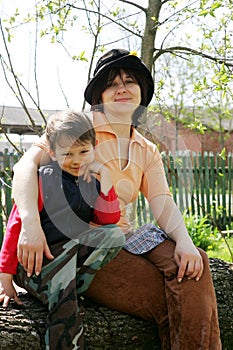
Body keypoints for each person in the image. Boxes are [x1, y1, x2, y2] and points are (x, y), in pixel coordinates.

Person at [5, 49, 221, 349]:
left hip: (123, 238)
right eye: (111, 83)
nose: (121, 88)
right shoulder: (79, 128)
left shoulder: (145, 148)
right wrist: (30, 224)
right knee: (178, 302)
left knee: (196, 263)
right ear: (99, 94)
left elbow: (161, 201)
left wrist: (184, 242)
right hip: (83, 247)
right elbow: (25, 166)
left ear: (141, 91)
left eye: (130, 81)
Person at [0, 110, 125, 349]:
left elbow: (109, 218)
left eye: (84, 152)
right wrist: (5, 279)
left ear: (94, 147)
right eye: (68, 154)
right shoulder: (43, 179)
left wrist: (106, 179)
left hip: (68, 257)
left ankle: (70, 287)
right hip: (37, 263)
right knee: (66, 303)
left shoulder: (91, 181)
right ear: (51, 153)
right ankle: (63, 308)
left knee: (114, 235)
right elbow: (15, 228)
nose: (77, 160)